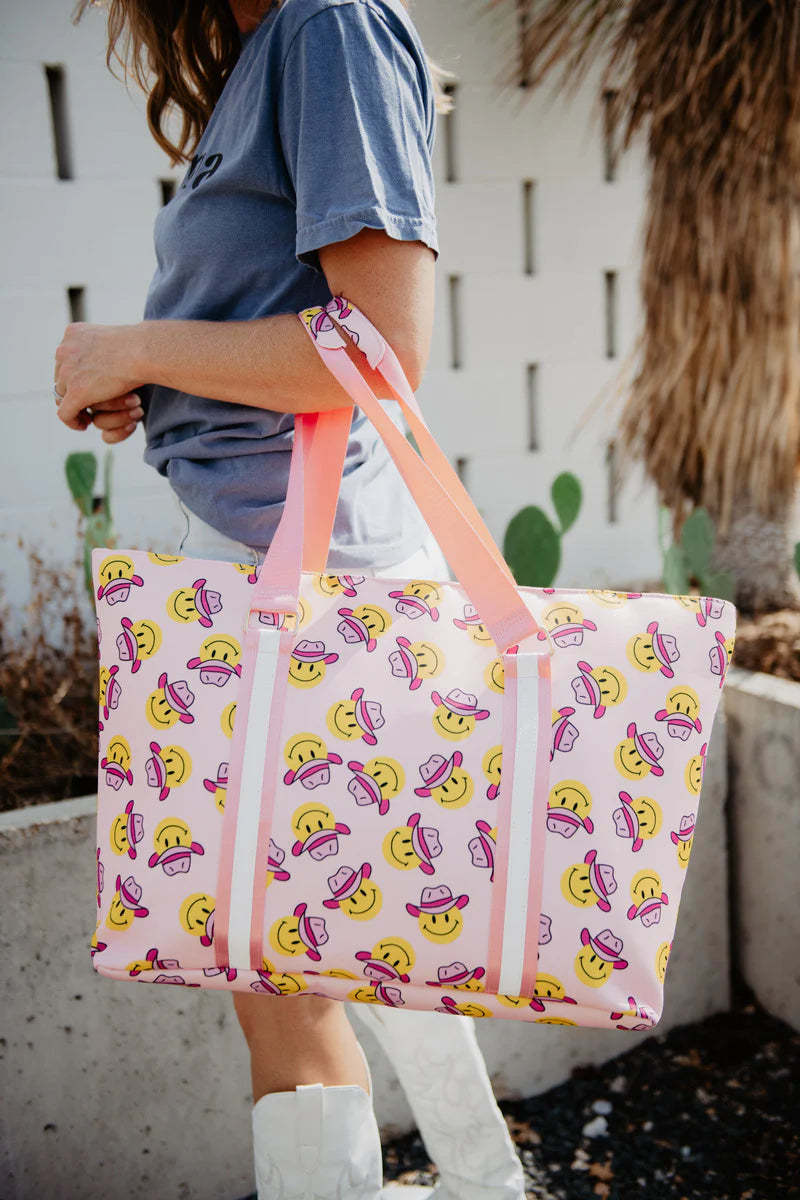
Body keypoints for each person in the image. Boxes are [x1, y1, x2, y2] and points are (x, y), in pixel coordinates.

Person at [55, 1, 526, 1196]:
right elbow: (283, 332)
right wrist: (157, 379)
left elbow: (374, 340)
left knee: (277, 975)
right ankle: (486, 1183)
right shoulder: (280, 44)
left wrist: (140, 347)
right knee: (342, 943)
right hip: (269, 552)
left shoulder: (329, 26)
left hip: (304, 576)